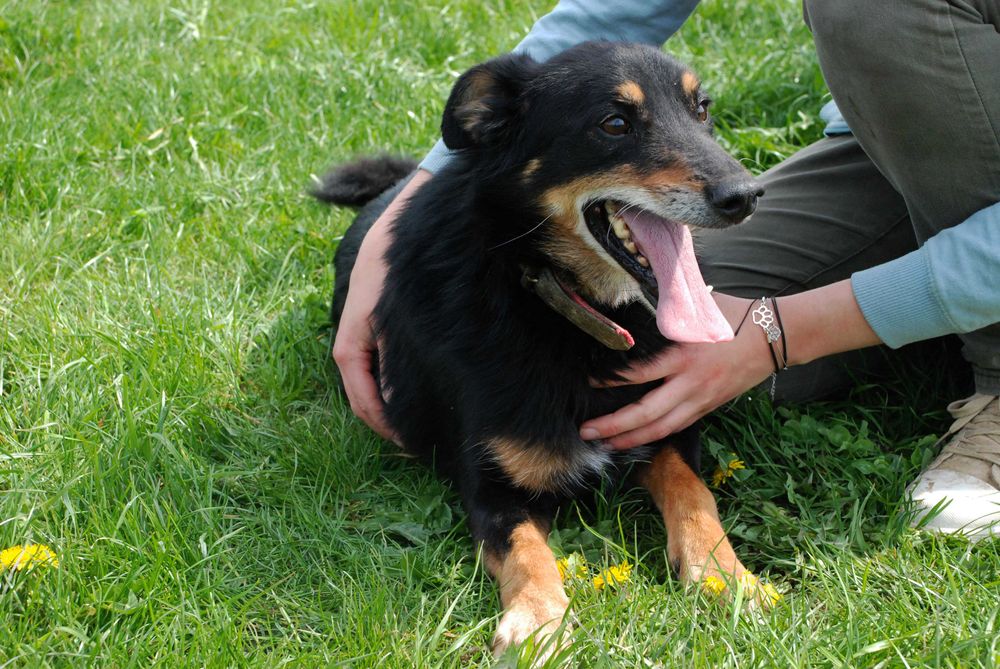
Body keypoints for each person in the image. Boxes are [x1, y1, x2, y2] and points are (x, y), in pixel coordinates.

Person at [332, 0, 1000, 539]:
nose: (722, 177)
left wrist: (781, 332)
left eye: (696, 110)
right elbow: (598, 41)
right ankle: (945, 308)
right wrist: (400, 216)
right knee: (688, 358)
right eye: (620, 125)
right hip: (890, 141)